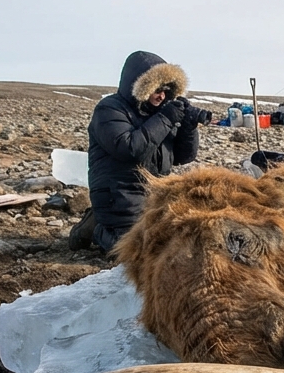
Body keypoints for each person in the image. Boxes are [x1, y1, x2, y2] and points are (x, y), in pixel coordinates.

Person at [69, 50, 210, 253]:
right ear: (140, 85)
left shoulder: (159, 112)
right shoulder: (109, 109)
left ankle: (104, 223)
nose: (162, 96)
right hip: (119, 194)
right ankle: (98, 229)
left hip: (155, 195)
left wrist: (188, 127)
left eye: (167, 90)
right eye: (157, 89)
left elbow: (183, 156)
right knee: (136, 251)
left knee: (181, 238)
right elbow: (130, 149)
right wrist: (167, 118)